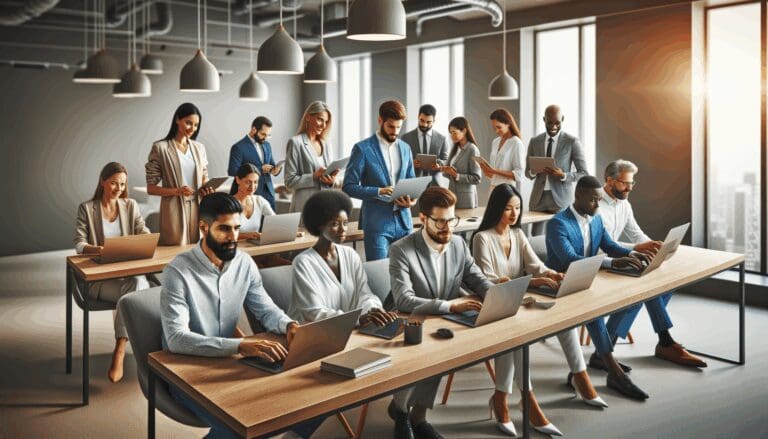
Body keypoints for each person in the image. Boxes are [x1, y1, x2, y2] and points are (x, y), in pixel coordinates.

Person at [161, 192, 320, 439]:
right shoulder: (177, 271)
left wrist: (287, 324)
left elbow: (265, 308)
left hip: (230, 360)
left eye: (237, 228)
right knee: (242, 426)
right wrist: (241, 345)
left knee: (314, 399)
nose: (233, 237)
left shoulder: (244, 263)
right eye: (224, 229)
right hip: (186, 370)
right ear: (203, 228)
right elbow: (176, 339)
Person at [473, 183, 609, 436]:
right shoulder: (482, 238)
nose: (514, 215)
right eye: (507, 209)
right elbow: (488, 281)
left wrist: (552, 274)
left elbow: (536, 266)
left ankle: (580, 376)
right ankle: (527, 400)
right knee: (517, 339)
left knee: (563, 320)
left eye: (517, 208)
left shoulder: (518, 234)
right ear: (496, 210)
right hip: (498, 304)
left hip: (522, 299)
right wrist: (533, 282)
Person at [388, 186, 494, 439]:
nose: (448, 227)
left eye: (451, 220)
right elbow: (404, 300)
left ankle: (419, 416)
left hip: (441, 321)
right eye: (440, 221)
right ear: (423, 219)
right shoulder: (402, 249)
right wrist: (450, 305)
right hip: (407, 321)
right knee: (426, 347)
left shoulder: (458, 243)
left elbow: (476, 279)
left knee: (445, 346)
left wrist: (498, 295)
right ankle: (400, 410)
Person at [545, 176, 650, 401]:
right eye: (593, 200)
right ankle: (614, 372)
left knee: (632, 298)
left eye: (600, 200)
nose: (597, 205)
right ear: (578, 196)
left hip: (590, 281)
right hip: (562, 286)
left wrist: (632, 254)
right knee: (593, 311)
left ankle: (603, 355)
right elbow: (570, 260)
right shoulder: (557, 223)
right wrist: (612, 263)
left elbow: (610, 245)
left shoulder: (596, 219)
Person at [597, 159, 706, 368]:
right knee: (645, 287)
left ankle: (608, 347)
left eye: (632, 183)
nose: (629, 188)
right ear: (609, 180)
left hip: (619, 258)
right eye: (624, 183)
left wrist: (655, 246)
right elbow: (604, 243)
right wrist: (636, 250)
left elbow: (635, 233)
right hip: (601, 261)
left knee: (664, 281)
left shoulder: (624, 204)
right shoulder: (596, 205)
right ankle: (665, 342)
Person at [74, 162, 151, 383]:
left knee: (137, 282)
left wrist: (145, 238)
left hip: (127, 274)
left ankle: (120, 344)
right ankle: (135, 347)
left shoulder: (130, 205)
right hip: (100, 279)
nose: (118, 188)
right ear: (103, 182)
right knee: (138, 294)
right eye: (114, 183)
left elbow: (142, 231)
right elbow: (79, 243)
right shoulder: (87, 208)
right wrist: (97, 249)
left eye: (122, 184)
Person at [289, 191, 398, 326]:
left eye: (345, 223)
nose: (343, 230)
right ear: (319, 225)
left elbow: (365, 294)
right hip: (312, 336)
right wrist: (358, 319)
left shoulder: (350, 254)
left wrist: (372, 311)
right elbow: (313, 313)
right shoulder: (303, 263)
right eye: (335, 224)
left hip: (348, 332)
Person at [343, 100, 417, 261]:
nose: (395, 132)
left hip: (404, 222)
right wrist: (379, 191)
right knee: (380, 276)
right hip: (377, 224)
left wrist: (413, 200)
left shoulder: (405, 148)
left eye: (399, 127)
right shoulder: (362, 149)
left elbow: (411, 179)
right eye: (391, 126)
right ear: (380, 121)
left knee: (407, 273)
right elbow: (348, 186)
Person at [145, 102, 214, 245]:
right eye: (188, 123)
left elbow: (204, 179)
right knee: (175, 251)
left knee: (199, 249)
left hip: (199, 208)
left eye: (196, 125)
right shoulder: (160, 148)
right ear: (177, 119)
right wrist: (177, 191)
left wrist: (208, 189)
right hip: (174, 210)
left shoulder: (199, 148)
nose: (192, 129)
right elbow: (151, 188)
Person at [525, 104, 588, 235]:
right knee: (535, 237)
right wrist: (533, 171)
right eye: (550, 122)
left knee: (559, 235)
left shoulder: (572, 141)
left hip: (561, 200)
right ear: (544, 119)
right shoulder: (534, 141)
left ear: (563, 119)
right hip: (538, 198)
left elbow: (583, 173)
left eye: (557, 123)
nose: (553, 126)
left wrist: (563, 175)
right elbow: (527, 172)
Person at [285, 101, 338, 215]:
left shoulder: (327, 143)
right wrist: (314, 176)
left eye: (326, 121)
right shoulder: (296, 143)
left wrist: (331, 181)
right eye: (320, 119)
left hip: (325, 206)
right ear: (308, 117)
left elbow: (327, 180)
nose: (323, 125)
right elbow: (289, 182)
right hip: (304, 207)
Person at [228, 116, 282, 210]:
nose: (265, 138)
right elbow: (232, 171)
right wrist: (260, 169)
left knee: (272, 223)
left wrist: (276, 170)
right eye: (263, 134)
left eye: (268, 135)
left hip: (269, 192)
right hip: (249, 193)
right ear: (253, 129)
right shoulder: (238, 147)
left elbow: (272, 164)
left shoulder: (267, 145)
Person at [479, 109, 524, 195]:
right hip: (493, 188)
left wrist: (494, 171)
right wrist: (487, 171)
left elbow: (519, 174)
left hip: (507, 190)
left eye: (499, 127)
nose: (496, 131)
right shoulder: (495, 141)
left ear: (508, 124)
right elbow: (493, 173)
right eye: (494, 128)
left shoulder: (516, 143)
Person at [400, 104, 450, 181]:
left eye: (428, 122)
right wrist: (410, 164)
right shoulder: (405, 138)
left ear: (434, 121)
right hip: (411, 182)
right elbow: (398, 161)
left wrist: (439, 165)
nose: (424, 124)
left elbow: (447, 161)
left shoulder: (442, 139)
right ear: (418, 117)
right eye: (422, 120)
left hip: (435, 184)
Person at [441, 117, 481, 209]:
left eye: (454, 132)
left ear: (464, 131)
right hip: (452, 195)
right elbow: (449, 173)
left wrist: (456, 175)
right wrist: (442, 168)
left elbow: (476, 178)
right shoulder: (455, 148)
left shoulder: (472, 149)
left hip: (465, 199)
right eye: (450, 133)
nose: (452, 136)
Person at [230, 163, 275, 242]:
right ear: (237, 180)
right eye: (248, 182)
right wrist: (245, 236)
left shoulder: (259, 201)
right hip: (234, 249)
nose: (252, 187)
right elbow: (224, 235)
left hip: (254, 247)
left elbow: (276, 222)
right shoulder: (229, 204)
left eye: (255, 182)